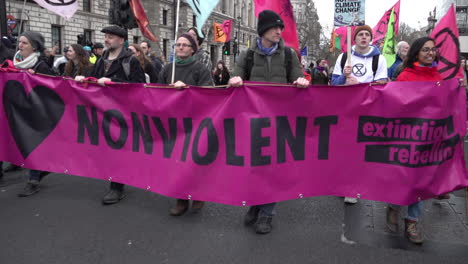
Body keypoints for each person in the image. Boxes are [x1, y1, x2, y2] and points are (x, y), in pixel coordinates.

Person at [229, 10, 309, 234]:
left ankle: (267, 214)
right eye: (275, 27)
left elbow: (297, 76)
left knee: (273, 168)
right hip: (254, 121)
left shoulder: (289, 54)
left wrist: (301, 81)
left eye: (281, 28)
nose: (279, 31)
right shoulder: (247, 55)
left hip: (279, 122)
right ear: (263, 30)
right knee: (255, 166)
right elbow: (234, 77)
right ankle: (256, 202)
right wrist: (233, 79)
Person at [75, 25, 146, 204]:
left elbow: (138, 87)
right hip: (102, 111)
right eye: (106, 36)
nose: (107, 39)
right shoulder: (101, 60)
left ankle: (117, 187)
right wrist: (82, 80)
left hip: (122, 113)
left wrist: (113, 82)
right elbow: (94, 80)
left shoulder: (131, 61)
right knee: (107, 147)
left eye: (111, 37)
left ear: (122, 40)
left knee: (119, 149)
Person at [387, 37, 442, 245]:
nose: (430, 53)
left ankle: (412, 222)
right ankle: (393, 205)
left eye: (433, 50)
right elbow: (396, 105)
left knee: (421, 181)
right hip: (407, 136)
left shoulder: (440, 76)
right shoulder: (405, 76)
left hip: (430, 137)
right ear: (416, 53)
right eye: (425, 50)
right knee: (403, 177)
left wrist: (458, 87)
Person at [157, 33, 213, 216]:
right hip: (173, 122)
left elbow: (209, 94)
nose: (180, 47)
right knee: (177, 162)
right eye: (177, 45)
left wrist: (188, 90)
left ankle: (197, 193)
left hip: (194, 122)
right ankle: (181, 199)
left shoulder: (200, 69)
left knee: (193, 161)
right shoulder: (167, 69)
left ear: (192, 49)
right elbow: (155, 93)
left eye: (184, 45)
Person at [331, 25, 388, 204]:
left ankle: (353, 188)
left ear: (370, 38)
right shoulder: (343, 58)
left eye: (367, 35)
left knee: (360, 149)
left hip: (366, 109)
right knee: (344, 148)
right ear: (354, 39)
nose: (364, 37)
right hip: (345, 109)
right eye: (360, 34)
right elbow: (334, 83)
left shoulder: (379, 59)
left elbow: (381, 84)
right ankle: (343, 183)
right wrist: (343, 78)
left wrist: (361, 86)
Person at [13, 31, 55, 197]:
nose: (20, 45)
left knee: (33, 146)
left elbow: (53, 87)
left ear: (34, 47)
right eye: (20, 42)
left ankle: (33, 180)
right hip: (22, 110)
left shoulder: (41, 66)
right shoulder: (18, 63)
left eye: (25, 43)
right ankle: (42, 169)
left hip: (39, 113)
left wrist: (36, 80)